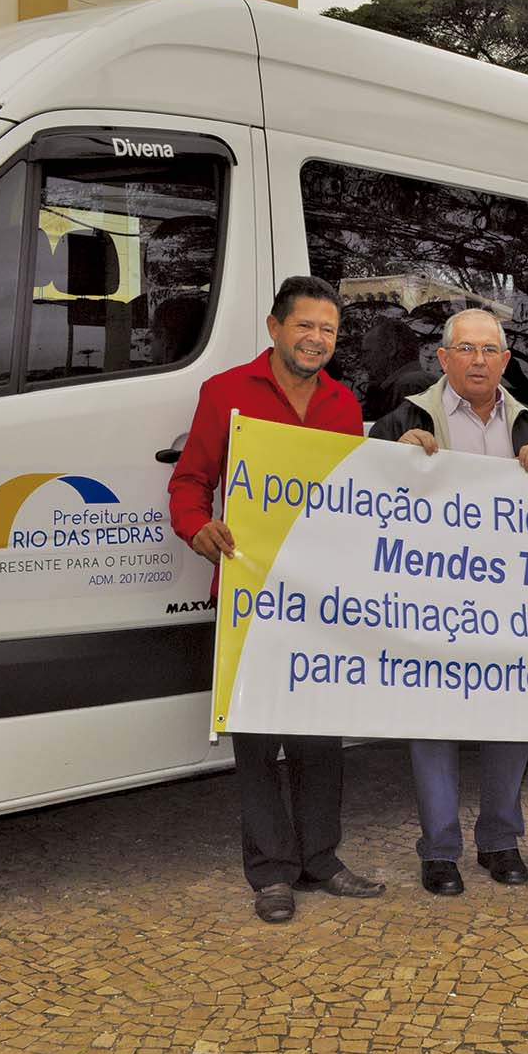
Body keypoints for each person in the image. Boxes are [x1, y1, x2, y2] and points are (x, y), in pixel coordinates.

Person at [168, 275, 385, 924]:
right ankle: (270, 873)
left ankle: (321, 859)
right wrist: (197, 529)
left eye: (328, 330)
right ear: (274, 327)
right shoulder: (225, 392)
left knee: (319, 737)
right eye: (305, 326)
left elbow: (356, 497)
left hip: (318, 600)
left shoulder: (343, 404)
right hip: (249, 596)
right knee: (259, 740)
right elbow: (189, 482)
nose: (316, 339)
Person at [370, 309, 528, 895]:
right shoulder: (403, 419)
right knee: (433, 722)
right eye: (466, 349)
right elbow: (363, 497)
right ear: (443, 358)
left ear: (505, 360)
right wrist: (394, 454)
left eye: (489, 350)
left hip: (514, 601)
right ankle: (439, 851)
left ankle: (500, 841)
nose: (478, 361)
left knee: (510, 719)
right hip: (431, 601)